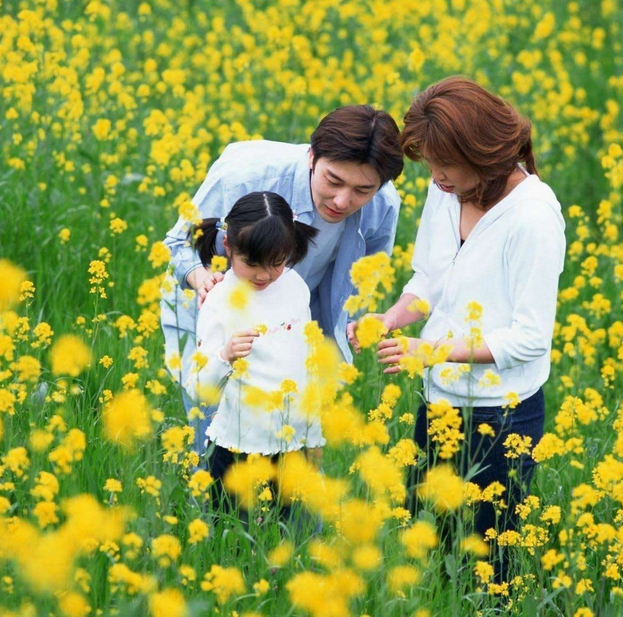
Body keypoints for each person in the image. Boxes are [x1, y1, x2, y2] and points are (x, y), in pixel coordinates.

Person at [349, 76, 566, 582]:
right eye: (430, 164)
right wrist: (392, 317)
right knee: (430, 553)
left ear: (483, 152)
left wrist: (431, 351)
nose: (436, 176)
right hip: (438, 403)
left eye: (444, 164)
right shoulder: (447, 191)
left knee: (490, 568)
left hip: (501, 418)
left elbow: (530, 338)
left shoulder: (532, 218)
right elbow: (430, 277)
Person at [162, 105, 404, 456]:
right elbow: (178, 243)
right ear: (311, 157)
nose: (342, 200)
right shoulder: (245, 178)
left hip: (292, 320)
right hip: (215, 311)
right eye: (333, 181)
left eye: (361, 190)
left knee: (292, 447)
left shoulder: (383, 204)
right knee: (215, 442)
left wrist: (350, 322)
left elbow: (364, 273)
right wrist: (199, 278)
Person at [186, 191, 320, 523]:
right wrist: (225, 355)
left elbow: (306, 366)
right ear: (228, 246)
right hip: (239, 446)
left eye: (277, 262)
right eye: (252, 264)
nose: (264, 275)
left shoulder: (295, 287)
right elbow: (197, 388)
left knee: (293, 540)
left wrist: (313, 434)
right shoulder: (219, 300)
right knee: (231, 538)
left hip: (291, 443)